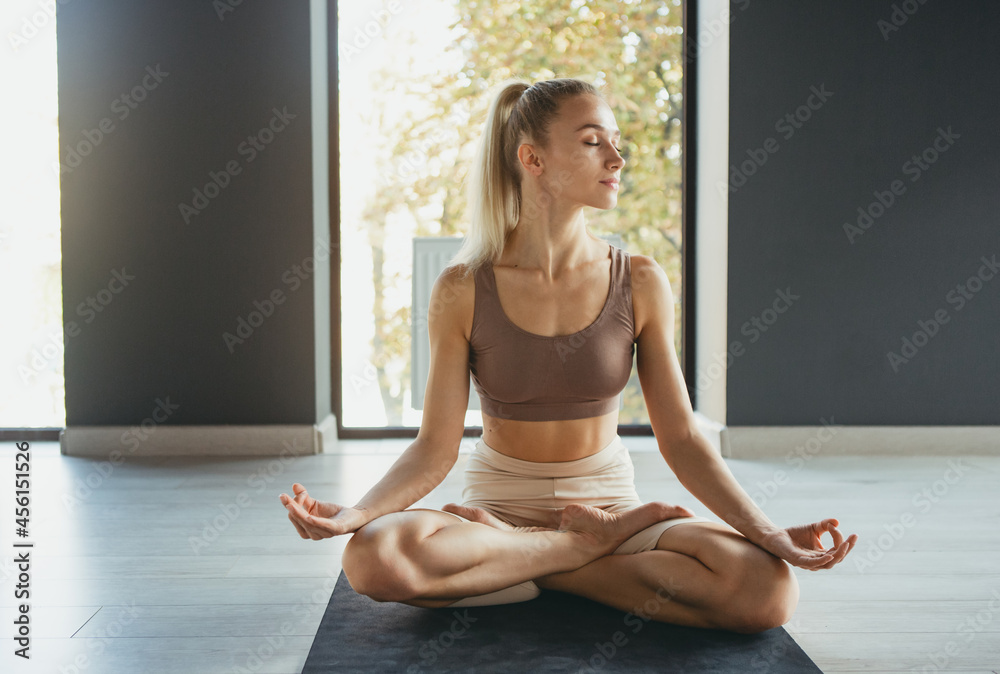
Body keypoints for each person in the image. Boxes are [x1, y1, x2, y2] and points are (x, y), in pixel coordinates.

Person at [280, 77, 858, 634]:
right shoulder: (462, 287)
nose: (616, 158)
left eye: (615, 143)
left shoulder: (641, 280)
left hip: (611, 508)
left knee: (766, 589)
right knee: (373, 558)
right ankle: (568, 553)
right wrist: (357, 515)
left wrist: (769, 535)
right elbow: (435, 449)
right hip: (497, 511)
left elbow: (681, 440)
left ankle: (530, 569)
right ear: (532, 160)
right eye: (591, 142)